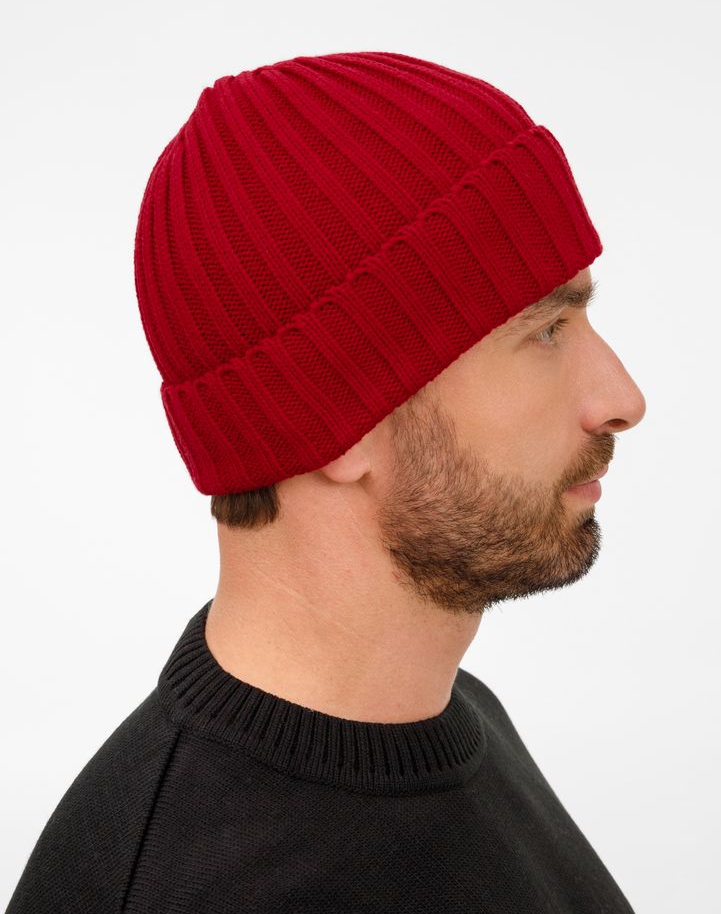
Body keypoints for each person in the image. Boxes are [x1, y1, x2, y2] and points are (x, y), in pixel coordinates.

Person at [6, 50, 646, 914]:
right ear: (341, 422)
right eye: (545, 332)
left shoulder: (449, 718)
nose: (623, 400)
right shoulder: (189, 888)